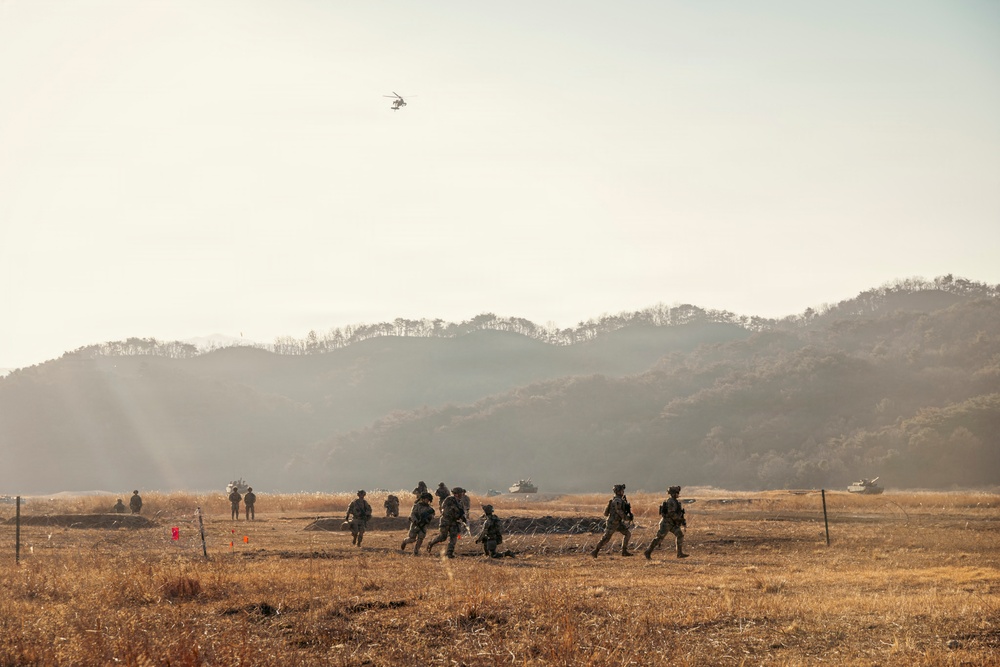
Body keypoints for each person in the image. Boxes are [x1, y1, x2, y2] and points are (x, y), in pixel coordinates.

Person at [645, 485, 689, 559]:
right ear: (673, 494)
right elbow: (671, 513)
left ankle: (679, 553)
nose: (678, 494)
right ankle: (648, 551)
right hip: (666, 523)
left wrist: (682, 520)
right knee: (659, 539)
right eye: (677, 492)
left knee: (680, 535)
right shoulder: (670, 502)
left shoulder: (676, 502)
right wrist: (679, 519)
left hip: (672, 523)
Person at [591, 483, 634, 557]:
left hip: (618, 522)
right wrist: (627, 518)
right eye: (621, 490)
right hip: (612, 523)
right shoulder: (617, 501)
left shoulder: (620, 500)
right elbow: (619, 511)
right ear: (618, 491)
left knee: (627, 534)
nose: (622, 492)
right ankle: (595, 551)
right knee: (606, 539)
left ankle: (624, 551)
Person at [426, 487, 467, 558]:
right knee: (443, 537)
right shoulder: (449, 500)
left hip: (454, 523)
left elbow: (461, 512)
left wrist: (463, 518)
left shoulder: (460, 502)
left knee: (453, 537)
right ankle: (431, 543)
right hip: (446, 521)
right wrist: (456, 514)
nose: (462, 494)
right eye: (460, 493)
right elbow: (446, 511)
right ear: (456, 494)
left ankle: (449, 553)